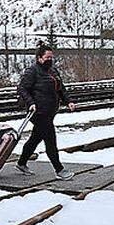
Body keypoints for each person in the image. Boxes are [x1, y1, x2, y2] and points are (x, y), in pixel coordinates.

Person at [16, 45, 77, 180]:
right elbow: (22, 88)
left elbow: (61, 89)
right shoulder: (32, 71)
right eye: (47, 57)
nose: (50, 59)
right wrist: (31, 103)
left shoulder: (53, 71)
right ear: (39, 58)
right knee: (50, 140)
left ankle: (21, 163)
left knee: (35, 138)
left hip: (50, 111)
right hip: (38, 113)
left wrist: (69, 101)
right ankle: (59, 170)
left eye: (51, 57)